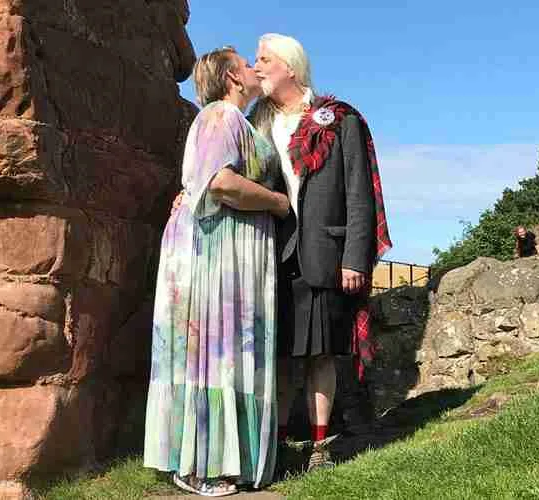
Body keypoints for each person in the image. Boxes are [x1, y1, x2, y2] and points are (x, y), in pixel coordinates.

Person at [143, 46, 290, 496]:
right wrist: (279, 203)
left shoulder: (235, 121)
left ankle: (225, 458)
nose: (253, 68)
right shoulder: (218, 117)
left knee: (224, 349)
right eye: (247, 64)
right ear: (231, 78)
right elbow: (220, 183)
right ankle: (201, 464)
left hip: (229, 250)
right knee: (215, 350)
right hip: (213, 251)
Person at [250, 33, 392, 472]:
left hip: (325, 254)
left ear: (290, 67)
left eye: (263, 60)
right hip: (268, 254)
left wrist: (355, 257)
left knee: (319, 355)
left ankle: (318, 448)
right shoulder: (254, 121)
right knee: (276, 356)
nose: (256, 68)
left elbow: (359, 193)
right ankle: (270, 449)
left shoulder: (338, 118)